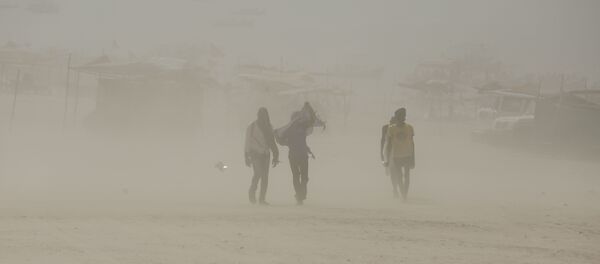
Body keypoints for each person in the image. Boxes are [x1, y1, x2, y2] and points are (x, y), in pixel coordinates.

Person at [280, 102, 317, 205]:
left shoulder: (296, 128)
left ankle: (300, 195)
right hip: (298, 155)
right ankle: (300, 195)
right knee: (301, 176)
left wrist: (287, 143)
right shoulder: (300, 128)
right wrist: (288, 143)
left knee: (299, 176)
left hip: (297, 155)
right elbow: (281, 139)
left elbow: (281, 139)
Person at [245, 107, 279, 205]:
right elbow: (247, 142)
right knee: (258, 173)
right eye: (261, 114)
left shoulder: (269, 127)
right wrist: (246, 156)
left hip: (266, 154)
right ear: (258, 115)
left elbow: (272, 142)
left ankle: (262, 199)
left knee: (265, 177)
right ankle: (252, 192)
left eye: (265, 114)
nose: (263, 117)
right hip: (255, 153)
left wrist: (276, 154)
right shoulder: (251, 127)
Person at [384, 108, 415, 201]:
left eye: (403, 116)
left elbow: (412, 143)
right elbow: (389, 145)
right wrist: (387, 159)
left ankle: (404, 195)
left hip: (407, 155)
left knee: (407, 175)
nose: (401, 118)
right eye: (399, 116)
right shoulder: (391, 129)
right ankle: (403, 194)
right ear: (397, 117)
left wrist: (413, 158)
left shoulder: (409, 128)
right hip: (396, 156)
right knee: (399, 176)